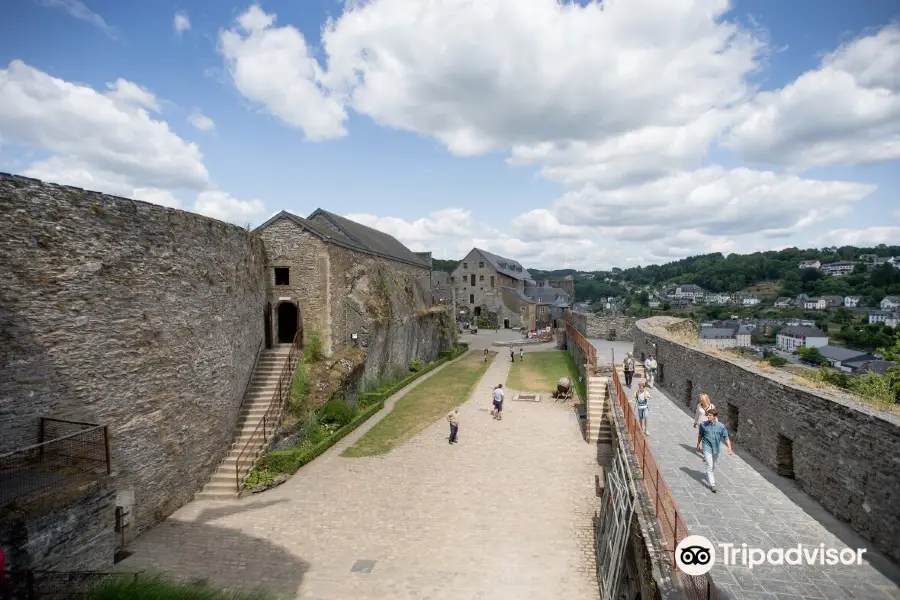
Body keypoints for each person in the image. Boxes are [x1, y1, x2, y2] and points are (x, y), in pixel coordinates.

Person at [696, 408, 734, 493]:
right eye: (707, 415)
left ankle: (708, 473)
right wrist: (698, 445)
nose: (708, 417)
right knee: (710, 465)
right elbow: (700, 435)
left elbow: (726, 438)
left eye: (710, 415)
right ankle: (712, 485)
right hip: (706, 447)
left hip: (716, 448)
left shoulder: (721, 426)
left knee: (713, 465)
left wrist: (730, 448)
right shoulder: (703, 425)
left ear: (715, 416)